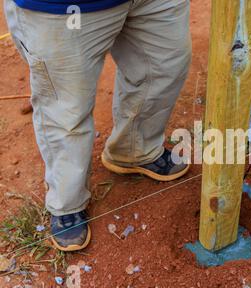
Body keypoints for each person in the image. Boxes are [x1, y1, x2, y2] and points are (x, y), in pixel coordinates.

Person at [4, 0, 192, 251]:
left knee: (164, 66)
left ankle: (135, 150)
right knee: (66, 109)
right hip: (64, 7)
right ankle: (68, 202)